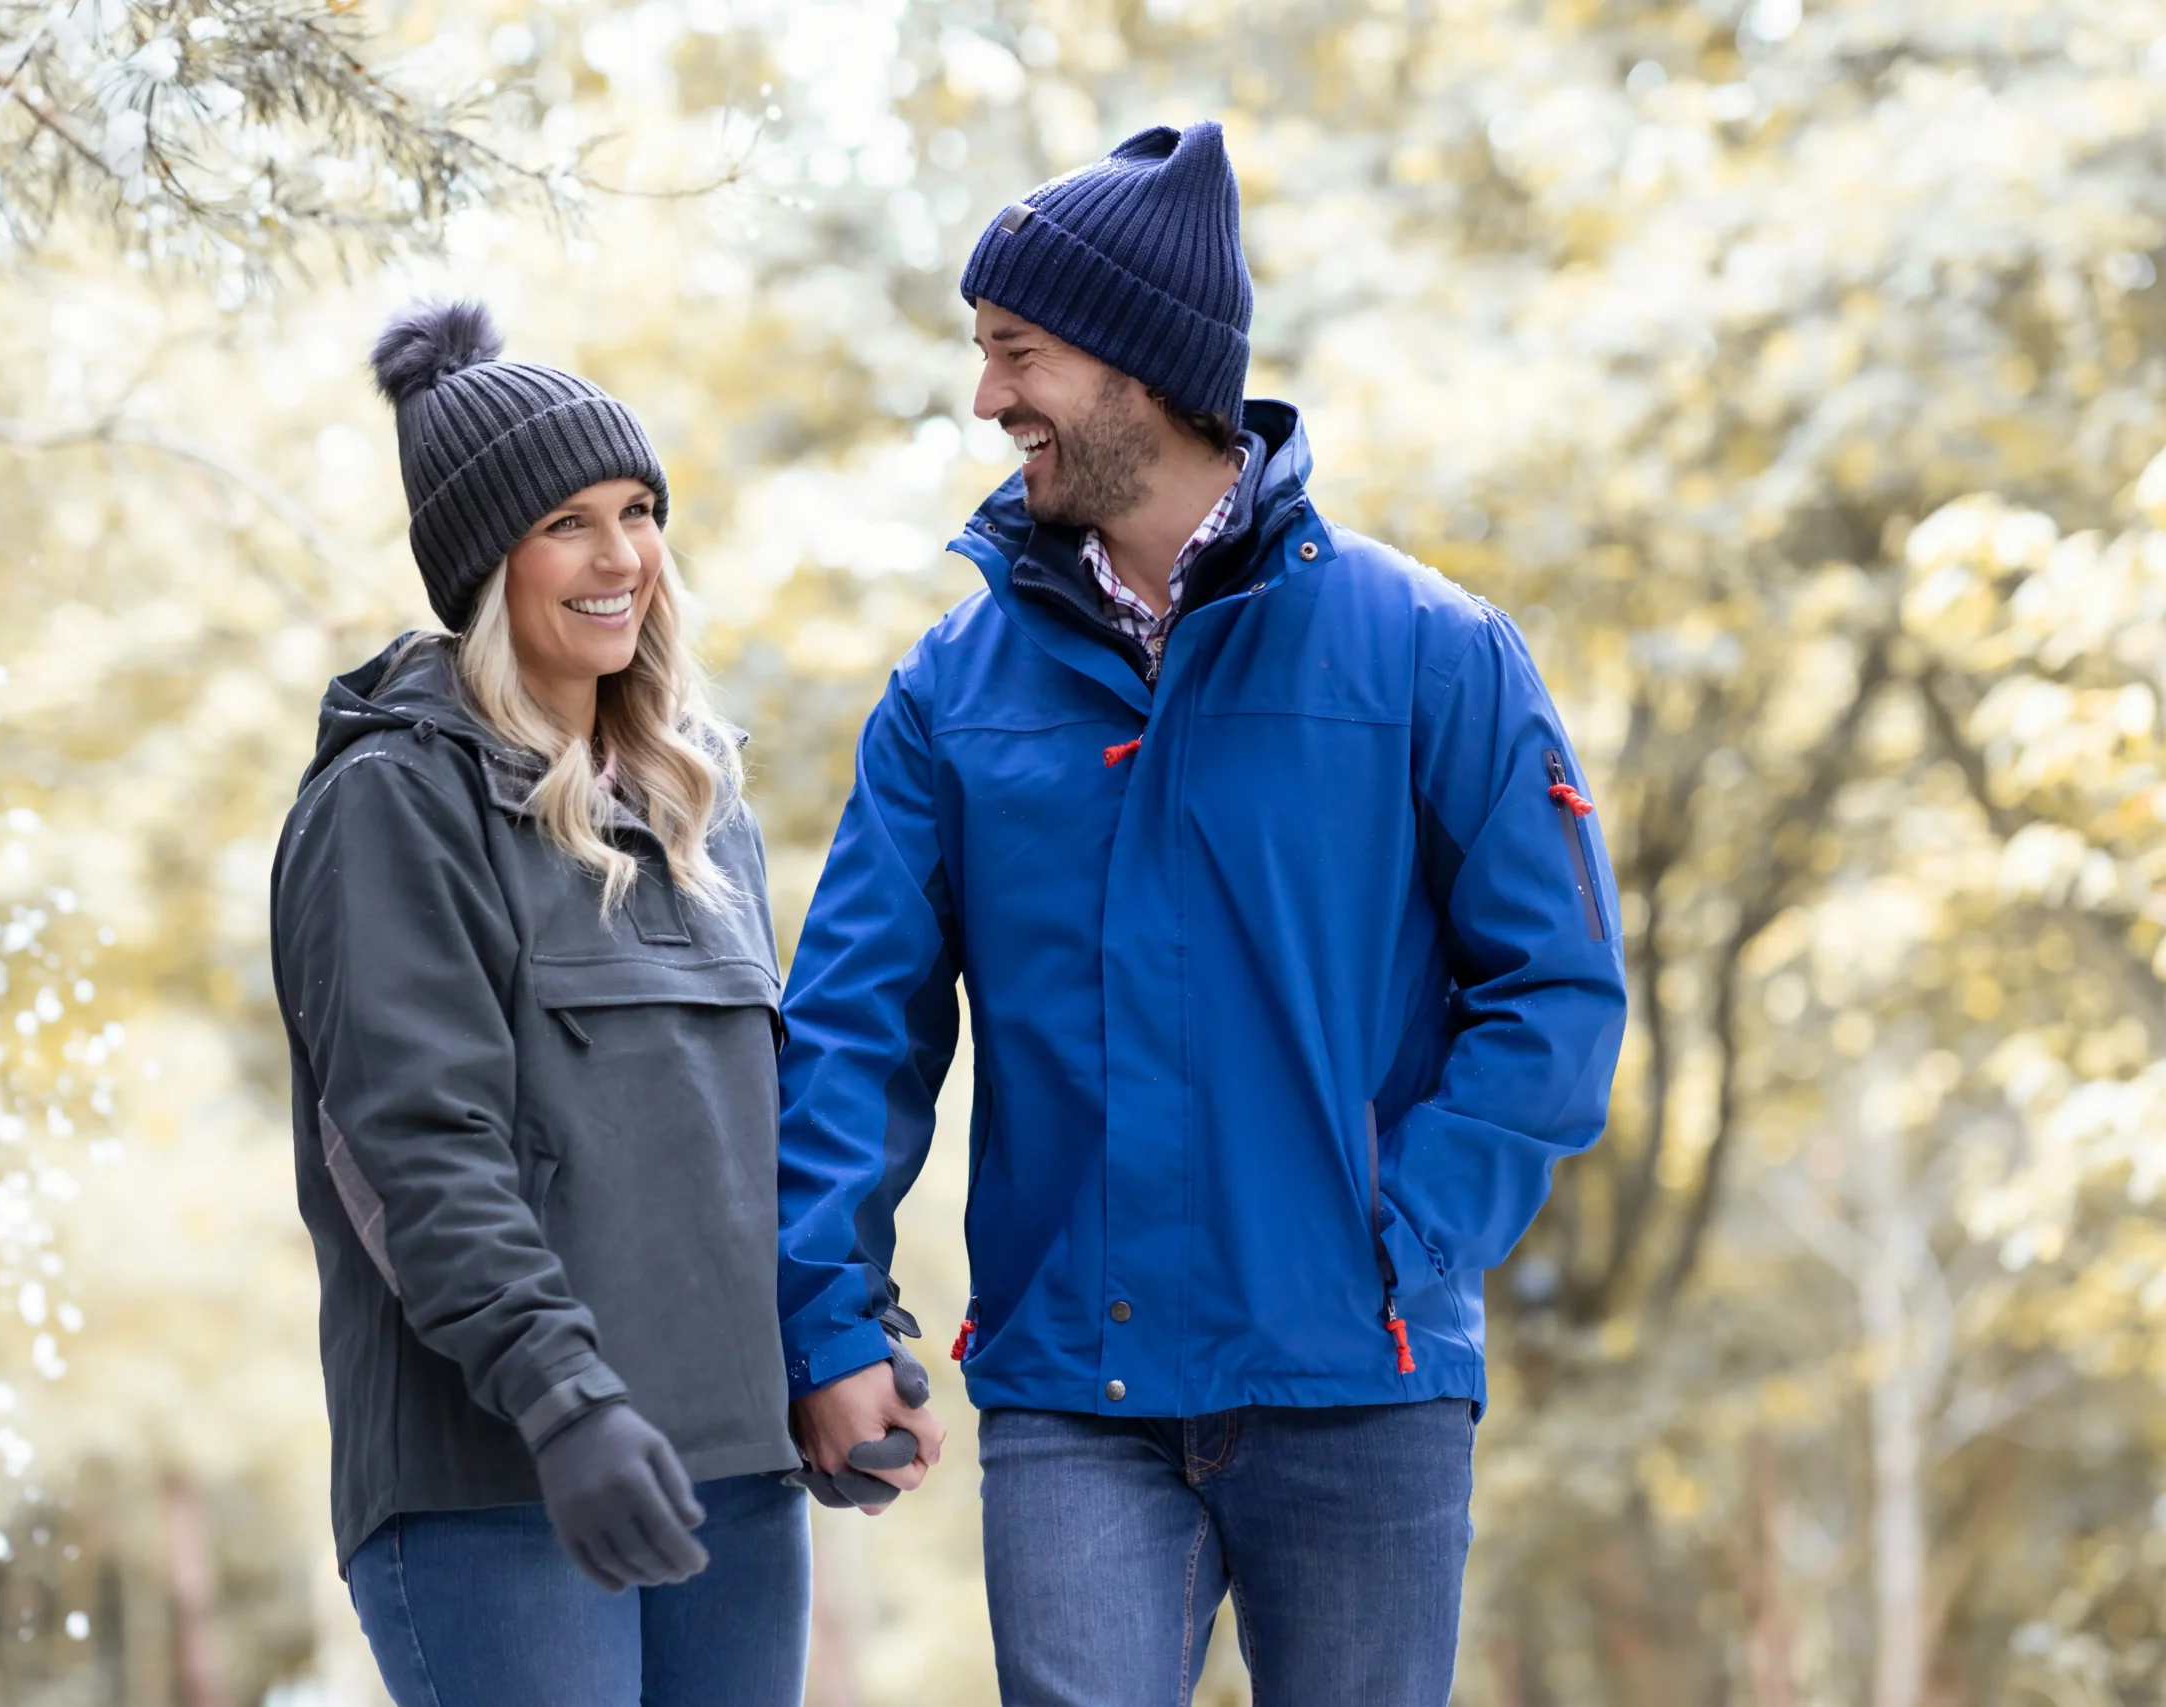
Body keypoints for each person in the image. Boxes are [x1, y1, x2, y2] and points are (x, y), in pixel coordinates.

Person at [776, 123, 1630, 1706]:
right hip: (1072, 1397)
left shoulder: (1432, 653)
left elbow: (1558, 991)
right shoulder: (949, 697)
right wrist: (826, 1313)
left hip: (1357, 1379)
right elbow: (849, 1028)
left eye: (1018, 354)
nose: (988, 399)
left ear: (1142, 368)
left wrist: (1408, 1239)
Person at [267, 301, 810, 1707]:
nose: (621, 555)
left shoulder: (704, 811)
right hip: (503, 1481)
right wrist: (562, 1397)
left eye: (639, 511)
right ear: (483, 560)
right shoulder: (392, 801)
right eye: (569, 520)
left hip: (735, 1483)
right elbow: (412, 1144)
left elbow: (763, 1132)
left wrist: (834, 1341)